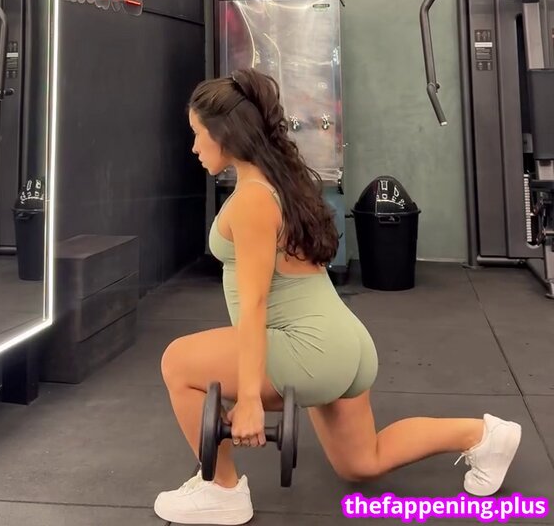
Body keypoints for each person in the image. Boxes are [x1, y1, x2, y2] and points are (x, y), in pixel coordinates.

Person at [154, 69, 522, 525]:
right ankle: (484, 436)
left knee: (178, 362)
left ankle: (222, 490)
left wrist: (248, 399)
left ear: (225, 132)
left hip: (309, 347)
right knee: (361, 461)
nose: (194, 147)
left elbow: (254, 304)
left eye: (197, 133)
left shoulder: (251, 200)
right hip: (345, 342)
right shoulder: (279, 181)